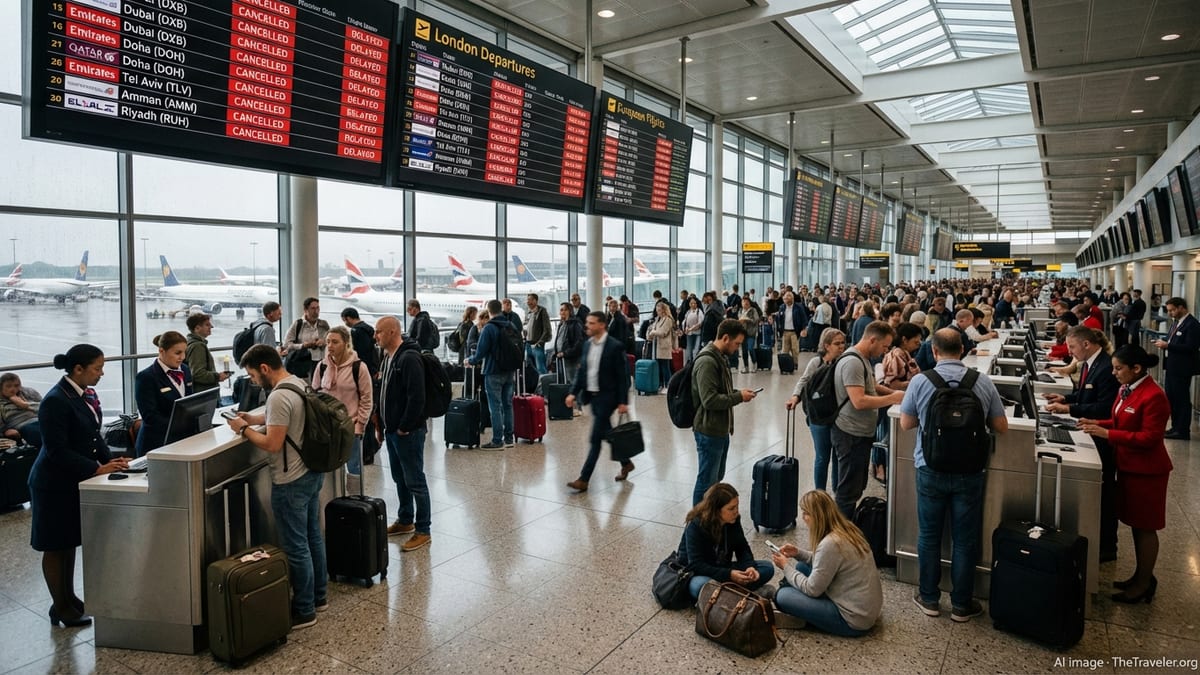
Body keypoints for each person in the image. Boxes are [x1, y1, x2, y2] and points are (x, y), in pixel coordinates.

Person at [899, 329, 1007, 622]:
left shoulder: (921, 381)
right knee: (965, 539)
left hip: (930, 469)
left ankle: (929, 598)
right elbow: (1001, 425)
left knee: (930, 536)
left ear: (934, 351)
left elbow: (906, 424)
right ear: (962, 349)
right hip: (970, 472)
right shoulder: (981, 381)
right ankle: (962, 604)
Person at [227, 345, 328, 628]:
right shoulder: (297, 383)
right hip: (310, 472)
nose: (253, 381)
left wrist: (243, 430)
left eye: (253, 375)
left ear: (264, 368)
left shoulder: (278, 396)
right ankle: (319, 596)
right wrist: (254, 418)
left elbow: (273, 443)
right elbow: (286, 420)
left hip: (290, 480)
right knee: (312, 538)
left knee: (296, 547)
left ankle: (305, 609)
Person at [29, 344, 127, 628]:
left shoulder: (82, 394)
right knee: (55, 545)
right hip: (53, 484)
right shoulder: (56, 401)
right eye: (97, 368)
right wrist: (96, 468)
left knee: (68, 542)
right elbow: (56, 450)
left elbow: (92, 437)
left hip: (73, 480)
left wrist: (113, 460)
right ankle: (60, 606)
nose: (102, 373)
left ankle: (68, 599)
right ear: (78, 369)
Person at [1077, 345, 1173, 603]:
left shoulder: (1154, 396)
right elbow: (1120, 421)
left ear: (1136, 369)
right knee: (1134, 523)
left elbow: (1150, 437)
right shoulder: (1126, 389)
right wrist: (1098, 423)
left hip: (1147, 471)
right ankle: (1140, 576)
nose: (1114, 373)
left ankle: (1143, 583)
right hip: (1127, 466)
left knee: (1145, 527)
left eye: (1119, 368)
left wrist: (1109, 434)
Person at [1044, 326, 1120, 561]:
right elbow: (1086, 394)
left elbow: (1105, 406)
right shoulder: (1090, 363)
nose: (1070, 352)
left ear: (1086, 344)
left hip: (1102, 437)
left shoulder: (1106, 368)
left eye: (1073, 347)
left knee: (1105, 492)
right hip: (1090, 428)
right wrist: (1066, 398)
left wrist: (1069, 409)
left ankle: (1107, 546)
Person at [767, 490, 882, 636]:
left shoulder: (830, 544)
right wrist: (798, 553)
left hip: (852, 620)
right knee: (802, 565)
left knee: (782, 596)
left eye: (806, 514)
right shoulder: (847, 528)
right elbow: (825, 561)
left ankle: (799, 613)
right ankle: (801, 607)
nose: (803, 518)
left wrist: (785, 566)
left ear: (817, 516)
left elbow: (812, 589)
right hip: (865, 609)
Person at [831, 321, 904, 519]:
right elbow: (859, 400)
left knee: (855, 486)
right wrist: (892, 399)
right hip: (850, 434)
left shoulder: (863, 359)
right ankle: (842, 537)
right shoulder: (852, 362)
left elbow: (872, 386)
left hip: (860, 433)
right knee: (847, 491)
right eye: (885, 346)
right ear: (872, 340)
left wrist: (896, 392)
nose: (885, 351)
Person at [373, 316, 433, 551]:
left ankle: (423, 529)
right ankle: (405, 519)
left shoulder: (409, 358)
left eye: (379, 332)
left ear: (392, 332)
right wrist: (381, 422)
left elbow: (417, 397)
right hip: (391, 430)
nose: (376, 336)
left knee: (415, 480)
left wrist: (405, 426)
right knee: (399, 478)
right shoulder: (387, 356)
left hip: (408, 432)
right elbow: (385, 389)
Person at [691, 319, 758, 505]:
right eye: (737, 343)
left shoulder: (720, 357)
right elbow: (709, 400)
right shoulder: (707, 361)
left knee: (715, 479)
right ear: (726, 338)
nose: (737, 348)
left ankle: (709, 516)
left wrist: (738, 393)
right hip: (708, 430)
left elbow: (720, 391)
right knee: (706, 481)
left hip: (719, 428)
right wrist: (738, 397)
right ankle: (696, 523)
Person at [564, 311, 631, 491]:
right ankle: (626, 462)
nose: (588, 326)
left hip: (607, 397)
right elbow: (582, 372)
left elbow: (622, 376)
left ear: (602, 325)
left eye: (592, 323)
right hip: (592, 396)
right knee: (608, 434)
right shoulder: (587, 345)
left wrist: (623, 401)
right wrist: (572, 393)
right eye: (588, 323)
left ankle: (584, 479)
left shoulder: (614, 346)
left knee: (595, 439)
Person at [678, 483, 773, 601]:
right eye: (731, 508)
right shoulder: (696, 525)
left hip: (722, 568)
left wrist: (749, 567)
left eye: (737, 506)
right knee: (700, 586)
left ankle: (730, 596)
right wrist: (729, 574)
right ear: (716, 510)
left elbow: (742, 548)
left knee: (767, 567)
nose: (736, 512)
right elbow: (696, 565)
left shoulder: (733, 520)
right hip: (698, 573)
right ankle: (746, 595)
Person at [312, 326, 372, 493]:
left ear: (346, 343)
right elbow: (315, 393)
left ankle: (355, 501)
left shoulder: (358, 367)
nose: (330, 346)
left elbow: (367, 399)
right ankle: (333, 501)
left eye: (335, 342)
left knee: (354, 467)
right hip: (327, 427)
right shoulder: (322, 366)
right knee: (329, 467)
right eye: (328, 342)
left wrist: (360, 425)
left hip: (350, 426)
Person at [787, 328, 845, 491]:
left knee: (837, 456)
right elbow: (804, 380)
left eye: (842, 343)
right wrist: (795, 397)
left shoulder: (844, 362)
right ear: (826, 345)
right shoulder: (816, 362)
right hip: (818, 416)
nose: (841, 347)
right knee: (822, 456)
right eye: (836, 343)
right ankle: (820, 493)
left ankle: (837, 491)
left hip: (837, 415)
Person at [134, 331, 194, 457]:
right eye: (177, 353)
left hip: (181, 440)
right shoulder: (146, 377)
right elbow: (149, 416)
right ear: (162, 351)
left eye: (184, 352)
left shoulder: (185, 370)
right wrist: (178, 426)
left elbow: (189, 401)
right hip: (157, 442)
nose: (182, 357)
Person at [467, 300, 516, 450]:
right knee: (507, 405)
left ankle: (497, 441)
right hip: (509, 370)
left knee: (495, 406)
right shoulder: (510, 325)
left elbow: (480, 352)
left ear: (489, 311)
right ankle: (509, 438)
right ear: (501, 309)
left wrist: (470, 360)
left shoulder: (489, 328)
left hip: (493, 371)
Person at [1152, 297, 1199, 440]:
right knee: (1172, 398)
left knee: (1181, 399)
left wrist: (1168, 346)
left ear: (1181, 308)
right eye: (1169, 310)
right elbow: (1171, 339)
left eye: (1172, 310)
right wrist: (1164, 342)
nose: (1170, 313)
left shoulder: (1193, 324)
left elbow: (1191, 347)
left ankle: (1182, 430)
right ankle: (1175, 427)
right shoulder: (1176, 323)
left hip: (1183, 367)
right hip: (1172, 366)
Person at [283, 297, 329, 380]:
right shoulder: (298, 324)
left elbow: (330, 340)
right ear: (305, 309)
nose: (316, 311)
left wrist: (324, 342)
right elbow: (287, 344)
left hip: (320, 361)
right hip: (302, 362)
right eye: (313, 308)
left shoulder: (323, 324)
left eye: (318, 308)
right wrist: (303, 345)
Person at [184, 313, 230, 393]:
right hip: (204, 393)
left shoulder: (191, 343)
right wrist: (218, 376)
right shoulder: (197, 346)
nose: (211, 327)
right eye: (207, 325)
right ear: (197, 328)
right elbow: (198, 374)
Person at [0, 373, 43, 447]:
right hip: (23, 425)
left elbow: (46, 408)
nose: (12, 389)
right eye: (8, 386)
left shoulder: (29, 393)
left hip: (40, 419)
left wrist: (26, 405)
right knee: (41, 434)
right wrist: (4, 432)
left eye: (16, 386)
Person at [551, 302, 585, 387]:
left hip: (572, 359)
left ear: (570, 311)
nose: (562, 312)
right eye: (561, 310)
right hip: (563, 358)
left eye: (564, 310)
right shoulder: (562, 324)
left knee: (574, 382)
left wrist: (566, 353)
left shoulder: (575, 324)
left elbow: (579, 342)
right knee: (565, 382)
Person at [881, 322, 922, 391]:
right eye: (916, 342)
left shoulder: (905, 353)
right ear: (904, 340)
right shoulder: (895, 356)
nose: (918, 345)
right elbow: (892, 385)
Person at [341, 307, 379, 377]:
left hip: (362, 364)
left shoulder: (355, 330)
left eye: (344, 321)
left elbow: (357, 350)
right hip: (372, 363)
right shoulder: (368, 327)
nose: (345, 323)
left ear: (348, 318)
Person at [646, 301, 676, 388]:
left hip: (664, 347)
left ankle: (668, 386)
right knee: (659, 367)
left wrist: (653, 332)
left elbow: (663, 332)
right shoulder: (657, 320)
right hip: (656, 346)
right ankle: (660, 384)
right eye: (657, 310)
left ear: (664, 310)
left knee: (665, 367)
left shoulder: (668, 320)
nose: (658, 312)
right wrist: (651, 333)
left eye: (659, 310)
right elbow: (651, 330)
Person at [775, 291, 808, 366]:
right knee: (785, 350)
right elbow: (779, 319)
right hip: (785, 332)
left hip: (794, 332)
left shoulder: (798, 307)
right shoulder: (782, 307)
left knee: (794, 349)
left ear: (792, 299)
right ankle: (786, 365)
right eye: (785, 298)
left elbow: (804, 318)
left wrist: (804, 329)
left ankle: (795, 364)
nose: (786, 299)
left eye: (788, 297)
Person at [522, 293, 552, 375]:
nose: (529, 302)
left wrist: (539, 343)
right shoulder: (528, 313)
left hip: (537, 346)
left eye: (531, 299)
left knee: (541, 368)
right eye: (528, 300)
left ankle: (544, 386)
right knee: (531, 369)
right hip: (528, 345)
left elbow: (547, 329)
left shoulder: (542, 311)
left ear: (536, 301)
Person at [737, 296, 761, 373]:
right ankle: (746, 366)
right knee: (744, 350)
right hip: (743, 333)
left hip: (751, 333)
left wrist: (748, 320)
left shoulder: (753, 310)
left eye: (746, 302)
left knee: (750, 348)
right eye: (743, 302)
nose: (745, 304)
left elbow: (756, 320)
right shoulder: (740, 311)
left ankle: (754, 363)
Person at [681, 296, 703, 363]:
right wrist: (686, 328)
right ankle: (689, 363)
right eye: (691, 303)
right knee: (689, 350)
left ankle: (695, 363)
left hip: (697, 333)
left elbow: (700, 323)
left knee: (696, 350)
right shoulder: (688, 312)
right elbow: (685, 322)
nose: (693, 305)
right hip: (689, 334)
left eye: (694, 303)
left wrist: (691, 329)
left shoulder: (699, 311)